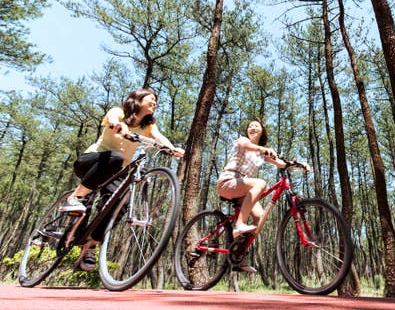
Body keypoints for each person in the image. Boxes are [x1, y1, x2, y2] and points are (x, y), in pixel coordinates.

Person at [59, 88, 185, 271]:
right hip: (93, 161)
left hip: (115, 173)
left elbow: (159, 137)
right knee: (116, 158)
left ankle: (90, 244)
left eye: (156, 100)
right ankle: (75, 197)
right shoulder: (119, 112)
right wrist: (119, 126)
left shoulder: (148, 126)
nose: (155, 102)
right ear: (137, 99)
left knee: (121, 203)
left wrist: (173, 149)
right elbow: (112, 120)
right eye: (151, 99)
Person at [216, 117, 310, 273]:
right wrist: (263, 149)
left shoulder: (262, 154)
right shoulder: (243, 141)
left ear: (262, 132)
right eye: (250, 126)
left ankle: (238, 255)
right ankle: (239, 225)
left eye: (256, 126)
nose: (252, 128)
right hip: (228, 181)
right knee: (260, 183)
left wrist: (299, 164)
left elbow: (281, 163)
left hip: (242, 187)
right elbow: (245, 146)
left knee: (260, 217)